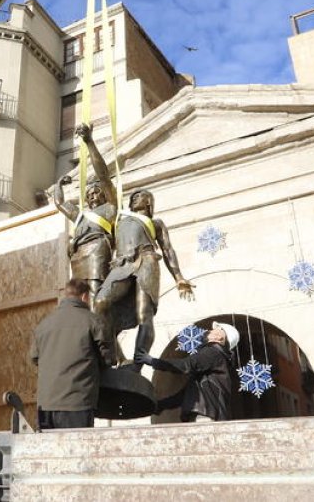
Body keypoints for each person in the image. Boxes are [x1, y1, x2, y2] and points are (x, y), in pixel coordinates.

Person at [94, 189, 194, 367]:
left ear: (149, 202)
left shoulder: (155, 223)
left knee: (144, 315)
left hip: (147, 261)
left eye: (139, 196)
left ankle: (138, 364)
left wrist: (179, 277)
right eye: (132, 197)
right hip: (121, 265)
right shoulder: (120, 217)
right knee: (101, 302)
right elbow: (104, 178)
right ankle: (113, 357)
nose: (133, 198)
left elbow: (168, 249)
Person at [29, 278, 114, 430]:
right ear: (84, 297)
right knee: (76, 451)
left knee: (49, 452)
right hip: (77, 404)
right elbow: (108, 359)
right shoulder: (94, 322)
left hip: (46, 405)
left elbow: (34, 358)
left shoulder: (44, 324)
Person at [49, 123, 117, 304]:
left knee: (95, 293)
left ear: (104, 194)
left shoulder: (110, 207)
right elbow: (59, 203)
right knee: (77, 298)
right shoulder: (80, 216)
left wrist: (89, 142)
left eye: (97, 192)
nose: (93, 195)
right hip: (78, 256)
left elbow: (103, 175)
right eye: (89, 194)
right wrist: (58, 185)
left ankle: (97, 326)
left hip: (97, 251)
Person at [136, 321, 239, 422]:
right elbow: (183, 396)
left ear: (220, 337)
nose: (209, 331)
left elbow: (185, 365)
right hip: (205, 416)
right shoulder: (212, 364)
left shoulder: (213, 352)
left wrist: (152, 361)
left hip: (206, 416)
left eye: (213, 330)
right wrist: (160, 405)